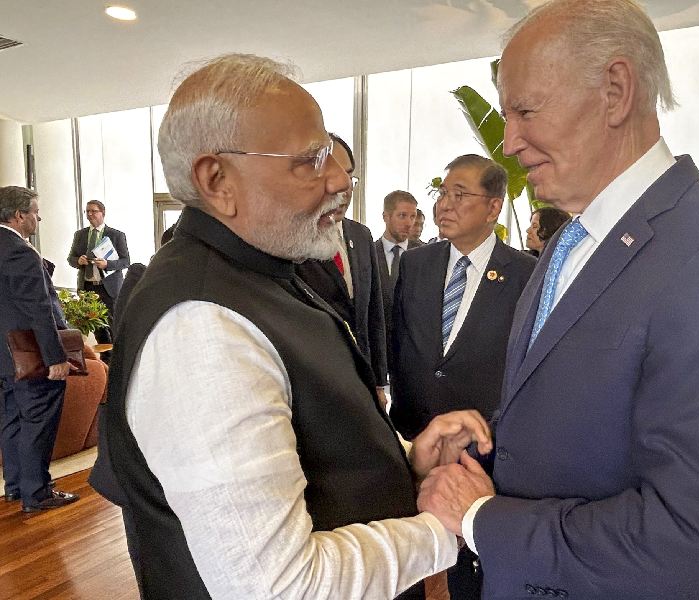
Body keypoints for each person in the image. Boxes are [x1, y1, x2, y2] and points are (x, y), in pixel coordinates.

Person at [417, 1, 699, 598]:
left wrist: (480, 518)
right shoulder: (567, 244)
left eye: (523, 111)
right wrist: (482, 452)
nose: (508, 143)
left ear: (616, 90)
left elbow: (688, 536)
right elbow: (590, 437)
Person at [94, 53, 491, 599]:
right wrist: (443, 528)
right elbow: (277, 585)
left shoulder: (264, 270)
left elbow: (306, 453)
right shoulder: (202, 328)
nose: (339, 179)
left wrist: (402, 461)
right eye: (310, 160)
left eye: (330, 153)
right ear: (217, 180)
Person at [390, 155, 536, 598]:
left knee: (473, 562)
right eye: (442, 194)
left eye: (460, 195)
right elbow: (401, 341)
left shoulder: (525, 274)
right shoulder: (416, 264)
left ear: (494, 208)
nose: (444, 206)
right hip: (415, 436)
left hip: (481, 445)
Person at [296, 133, 390, 409]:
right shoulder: (293, 240)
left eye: (349, 175)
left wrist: (378, 381)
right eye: (332, 173)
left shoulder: (360, 236)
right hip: (316, 388)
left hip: (361, 380)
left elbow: (373, 314)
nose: (344, 186)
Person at [0, 186, 79, 513]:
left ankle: (16, 487)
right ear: (19, 215)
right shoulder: (19, 251)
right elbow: (38, 309)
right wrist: (55, 358)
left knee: (12, 420)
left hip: (3, 360)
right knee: (37, 422)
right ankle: (38, 492)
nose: (39, 216)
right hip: (29, 357)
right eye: (34, 211)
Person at [66, 199, 130, 346]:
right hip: (88, 287)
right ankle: (106, 360)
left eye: (93, 211)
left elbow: (126, 261)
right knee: (96, 327)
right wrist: (78, 261)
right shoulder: (80, 235)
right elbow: (71, 258)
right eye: (87, 211)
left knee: (113, 325)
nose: (90, 214)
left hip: (108, 288)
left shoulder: (116, 235)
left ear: (103, 213)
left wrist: (108, 264)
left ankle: (117, 359)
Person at [375, 190, 422, 371]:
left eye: (413, 216)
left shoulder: (425, 255)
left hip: (413, 354)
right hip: (379, 352)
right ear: (386, 216)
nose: (409, 223)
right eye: (402, 216)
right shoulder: (368, 253)